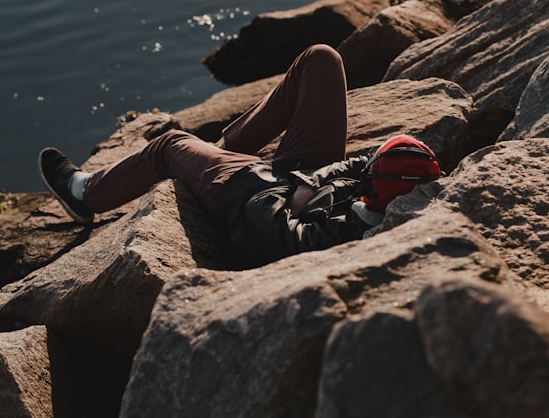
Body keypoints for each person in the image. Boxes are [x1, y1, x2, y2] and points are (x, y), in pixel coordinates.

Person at [39, 44, 441, 266]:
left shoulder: (339, 240)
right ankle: (225, 148)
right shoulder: (392, 194)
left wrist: (283, 189)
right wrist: (312, 182)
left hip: (251, 195)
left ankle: (84, 193)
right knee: (321, 59)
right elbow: (357, 164)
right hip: (298, 180)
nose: (366, 166)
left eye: (374, 169)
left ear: (380, 193)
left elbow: (271, 230)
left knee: (171, 144)